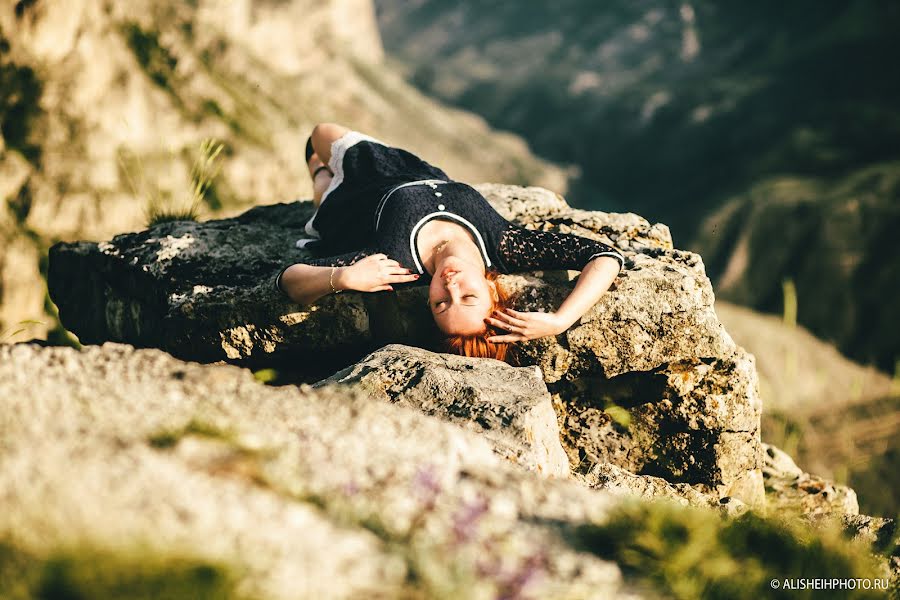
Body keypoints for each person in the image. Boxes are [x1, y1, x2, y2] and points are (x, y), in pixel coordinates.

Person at [276, 123, 625, 362]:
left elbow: (289, 281)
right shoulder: (505, 246)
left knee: (322, 161)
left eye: (441, 303)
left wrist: (344, 278)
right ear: (493, 293)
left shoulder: (393, 265)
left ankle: (322, 181)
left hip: (352, 203)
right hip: (411, 170)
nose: (450, 286)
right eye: (468, 297)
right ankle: (326, 176)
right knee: (323, 134)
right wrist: (560, 320)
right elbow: (603, 256)